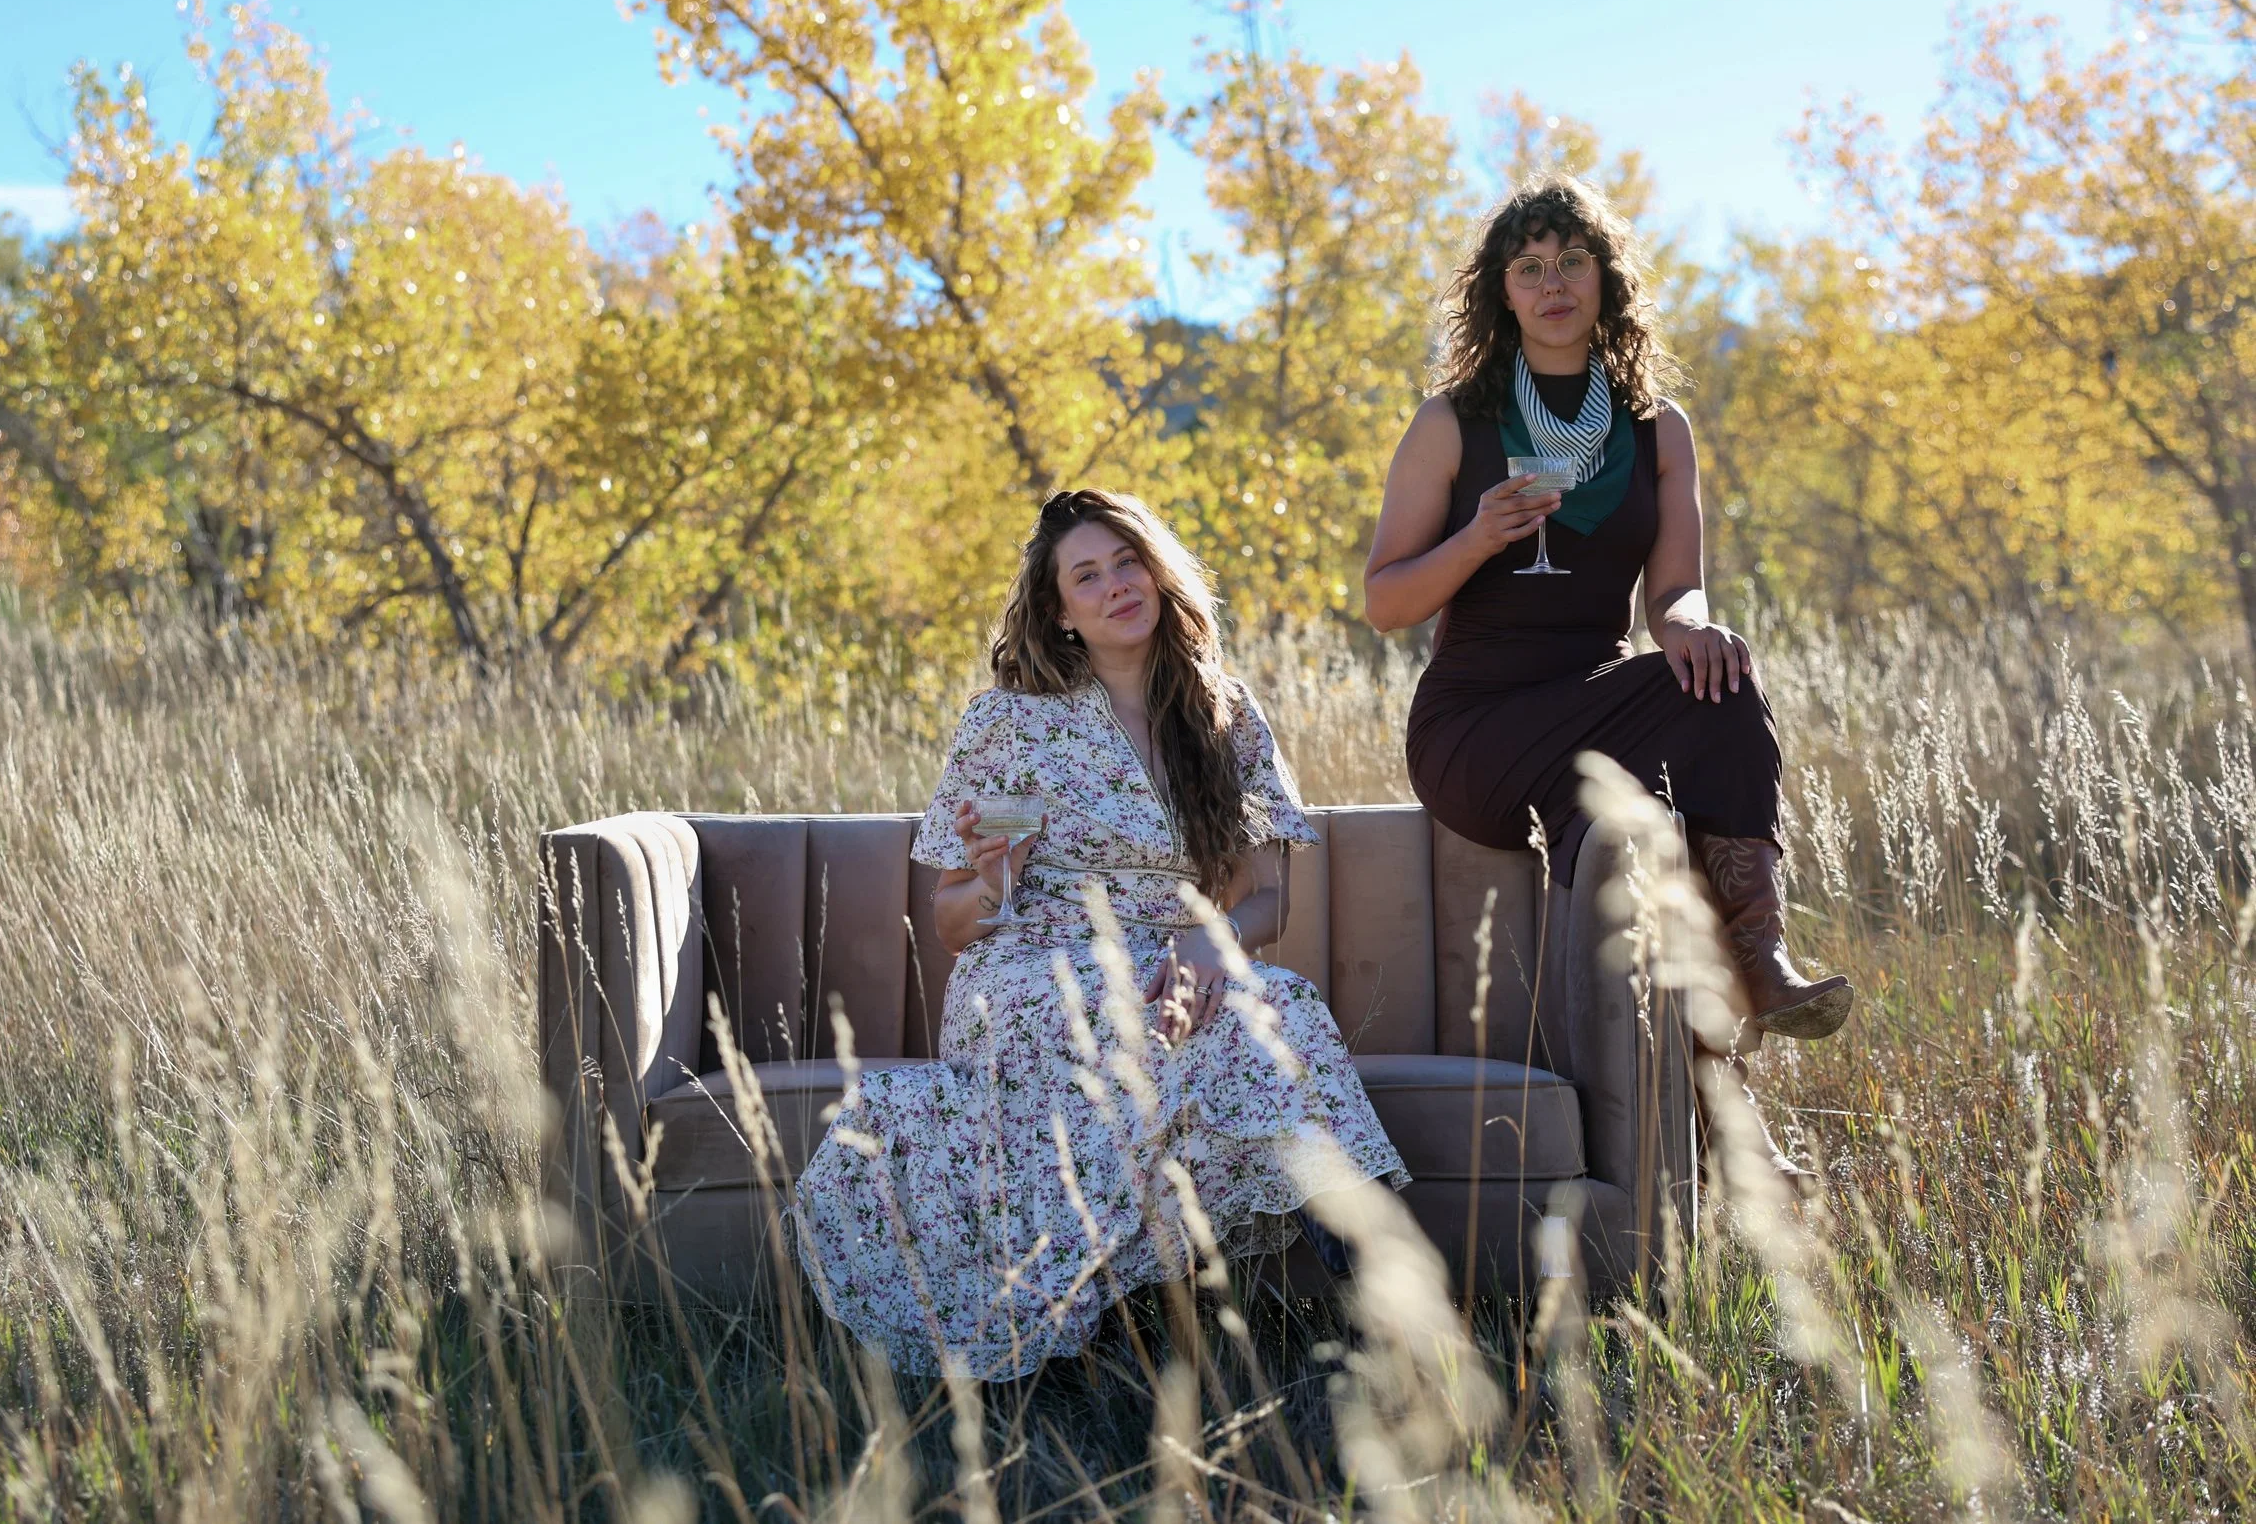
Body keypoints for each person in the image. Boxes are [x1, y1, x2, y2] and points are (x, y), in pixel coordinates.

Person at [792, 489, 1408, 1379]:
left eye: (1128, 561)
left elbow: (1270, 898)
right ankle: (1094, 1314)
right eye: (1087, 576)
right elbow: (956, 924)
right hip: (1028, 972)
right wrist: (996, 872)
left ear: (1158, 573)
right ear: (1060, 611)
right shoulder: (1008, 722)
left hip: (1179, 959)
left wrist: (1210, 941)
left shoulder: (1226, 711)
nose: (1116, 584)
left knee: (1285, 1010)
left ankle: (1389, 1311)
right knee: (1156, 1023)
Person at [1363, 176, 1853, 1057]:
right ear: (1502, 293)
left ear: (1606, 278)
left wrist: (1691, 626)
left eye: (1573, 261)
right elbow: (1384, 602)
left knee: (1722, 680)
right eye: (1529, 268)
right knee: (1655, 795)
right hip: (1478, 731)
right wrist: (1478, 539)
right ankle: (1723, 1007)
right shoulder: (1452, 423)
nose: (1553, 284)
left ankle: (1758, 964)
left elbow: (1675, 591)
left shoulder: (1659, 428)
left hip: (1596, 707)